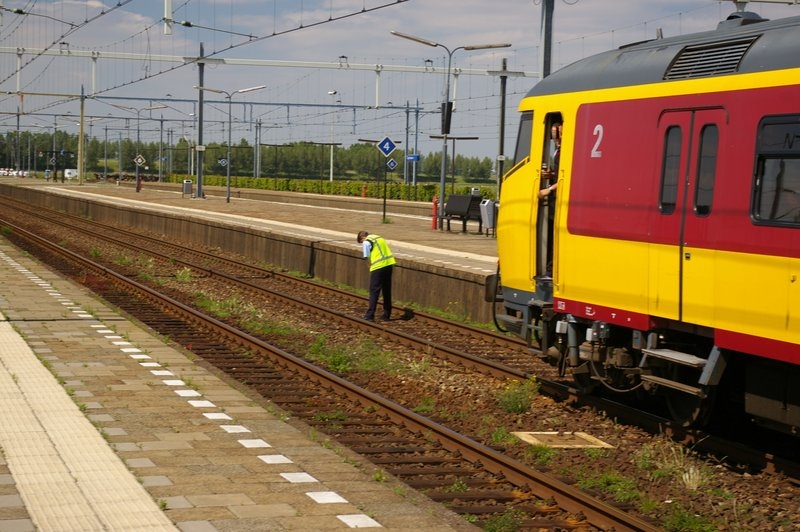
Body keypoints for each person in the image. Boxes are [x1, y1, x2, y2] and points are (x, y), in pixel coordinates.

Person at [357, 230, 396, 321]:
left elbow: (367, 257)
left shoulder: (367, 242)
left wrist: (370, 267)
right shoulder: (380, 238)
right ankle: (387, 315)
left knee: (374, 291)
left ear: (362, 238)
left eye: (361, 242)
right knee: (386, 290)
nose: (362, 243)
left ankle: (370, 315)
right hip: (389, 265)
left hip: (378, 267)